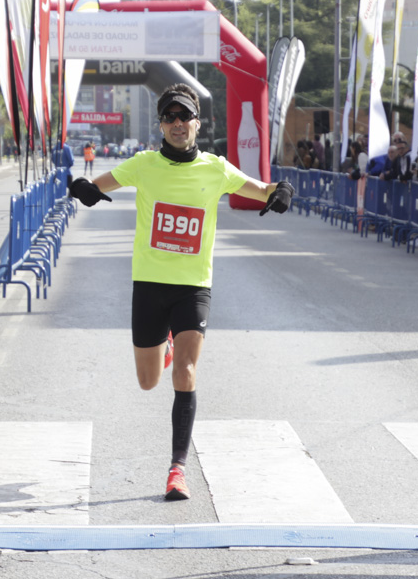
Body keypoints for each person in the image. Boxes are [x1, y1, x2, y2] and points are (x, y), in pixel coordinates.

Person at [65, 83, 294, 501]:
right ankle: (164, 343)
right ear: (161, 124)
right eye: (169, 117)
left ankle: (177, 470)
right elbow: (94, 184)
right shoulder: (144, 165)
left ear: (197, 124)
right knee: (149, 381)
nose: (176, 124)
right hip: (149, 285)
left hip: (192, 286)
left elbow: (263, 188)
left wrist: (281, 191)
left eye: (184, 116)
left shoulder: (216, 169)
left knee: (185, 373)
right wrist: (82, 188)